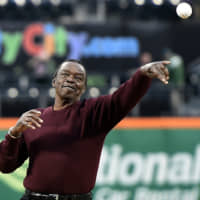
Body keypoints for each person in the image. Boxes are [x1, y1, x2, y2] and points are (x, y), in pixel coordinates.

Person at [0, 59, 170, 200]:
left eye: (78, 77)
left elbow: (122, 98)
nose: (71, 79)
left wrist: (143, 73)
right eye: (65, 74)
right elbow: (5, 166)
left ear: (83, 87)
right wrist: (14, 133)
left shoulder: (93, 113)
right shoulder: (34, 119)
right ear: (54, 81)